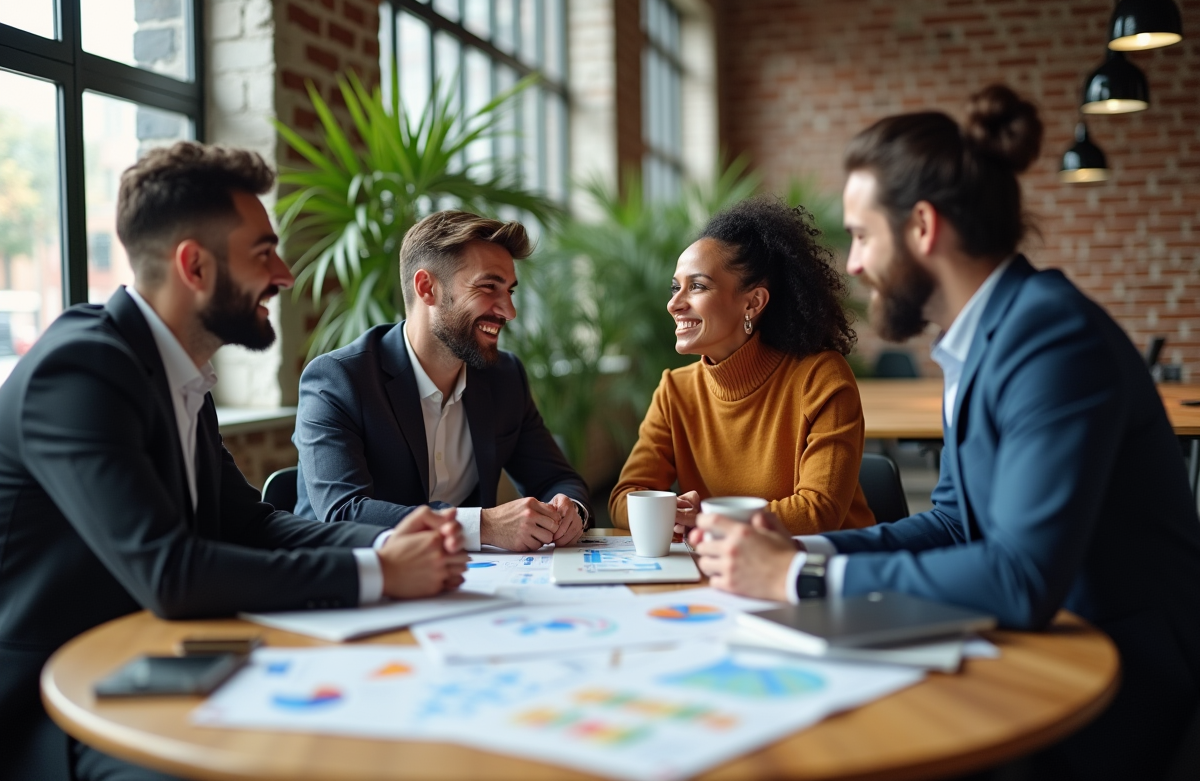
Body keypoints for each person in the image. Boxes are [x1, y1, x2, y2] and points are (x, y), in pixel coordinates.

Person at [689, 85, 1200, 779]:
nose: (856, 263)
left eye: (863, 235)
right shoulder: (984, 337)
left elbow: (1020, 576)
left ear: (923, 228)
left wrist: (804, 576)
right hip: (1040, 649)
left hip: (1116, 680)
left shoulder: (1050, 336)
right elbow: (959, 521)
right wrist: (799, 544)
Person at [0, 143, 469, 781]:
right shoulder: (80, 370)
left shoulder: (179, 371)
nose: (284, 274)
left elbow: (248, 521)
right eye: (262, 252)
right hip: (49, 707)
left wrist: (389, 539)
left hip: (159, 662)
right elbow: (171, 571)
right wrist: (377, 571)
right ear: (193, 265)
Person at [293, 210, 591, 552]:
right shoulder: (338, 380)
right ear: (427, 288)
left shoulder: (505, 378)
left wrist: (571, 511)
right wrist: (483, 525)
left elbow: (557, 479)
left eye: (509, 291)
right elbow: (343, 512)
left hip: (468, 581)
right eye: (488, 287)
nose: (509, 311)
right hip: (349, 582)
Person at [609, 198, 875, 536]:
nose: (674, 303)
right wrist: (670, 510)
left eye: (698, 286)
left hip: (824, 569)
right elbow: (623, 499)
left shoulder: (820, 378)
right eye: (676, 287)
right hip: (726, 571)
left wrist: (704, 516)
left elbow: (817, 512)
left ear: (753, 302)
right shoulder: (675, 390)